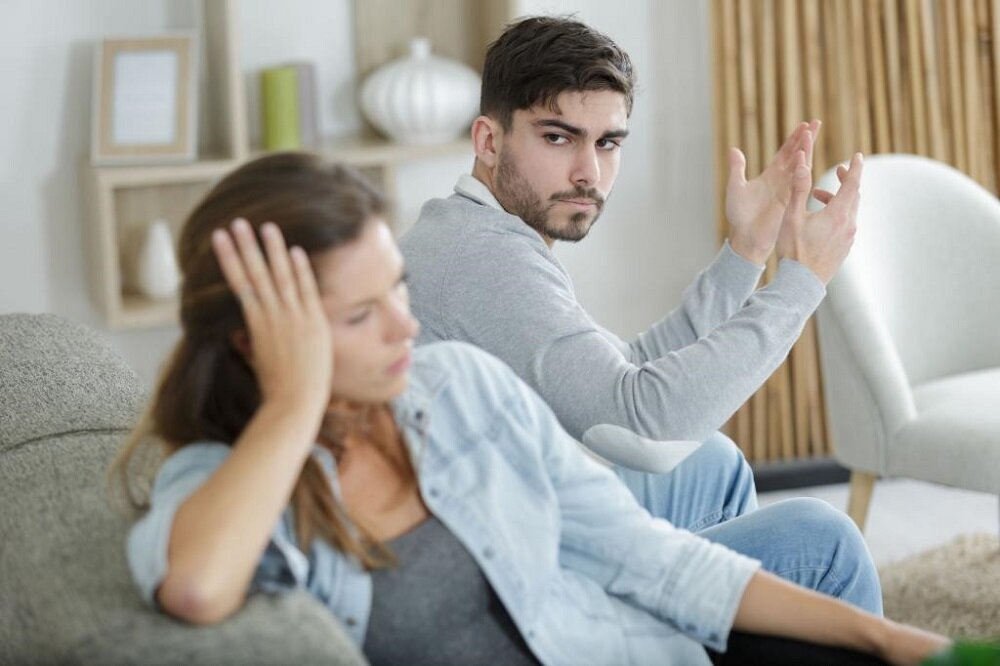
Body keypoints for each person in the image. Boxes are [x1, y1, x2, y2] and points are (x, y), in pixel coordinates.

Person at [114, 153, 947, 665]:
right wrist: (296, 403)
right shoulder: (226, 482)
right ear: (261, 339)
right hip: (582, 567)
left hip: (610, 623)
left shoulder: (451, 383)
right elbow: (194, 587)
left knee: (754, 504)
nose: (405, 326)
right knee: (797, 527)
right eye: (363, 315)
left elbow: (646, 541)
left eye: (396, 289)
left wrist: (889, 637)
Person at [399, 14, 868, 603]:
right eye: (557, 137)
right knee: (823, 542)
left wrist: (746, 251)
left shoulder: (474, 230)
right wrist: (803, 281)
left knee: (709, 463)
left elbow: (621, 376)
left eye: (607, 143)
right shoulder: (486, 260)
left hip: (508, 521)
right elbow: (644, 428)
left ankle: (722, 631)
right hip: (503, 582)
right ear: (489, 141)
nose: (588, 173)